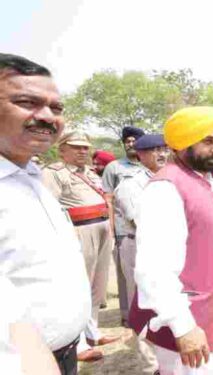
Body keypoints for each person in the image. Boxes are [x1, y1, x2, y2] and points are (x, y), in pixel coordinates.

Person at [129, 106, 213, 374]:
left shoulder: (206, 181)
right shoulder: (165, 189)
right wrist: (182, 326)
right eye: (208, 141)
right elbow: (154, 269)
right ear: (182, 142)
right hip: (193, 324)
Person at [0, 52, 90, 374]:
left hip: (60, 355)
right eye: (27, 102)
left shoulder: (30, 176)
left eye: (56, 107)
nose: (48, 117)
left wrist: (76, 337)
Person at [42, 131, 120, 362]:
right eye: (76, 147)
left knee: (98, 285)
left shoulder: (91, 174)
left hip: (102, 228)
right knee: (79, 287)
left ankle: (93, 332)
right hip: (79, 231)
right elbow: (49, 206)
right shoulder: (54, 173)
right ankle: (78, 344)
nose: (82, 152)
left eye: (85, 148)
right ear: (62, 149)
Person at [113, 134, 168, 373]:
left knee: (165, 300)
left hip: (165, 246)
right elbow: (139, 220)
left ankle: (168, 358)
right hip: (138, 246)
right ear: (141, 154)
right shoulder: (129, 184)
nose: (162, 154)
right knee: (143, 304)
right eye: (155, 150)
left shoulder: (169, 179)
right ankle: (151, 364)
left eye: (164, 149)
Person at [101, 126, 144, 324]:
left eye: (135, 140)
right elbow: (107, 200)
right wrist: (112, 229)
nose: (131, 144)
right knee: (125, 275)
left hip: (147, 229)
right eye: (127, 141)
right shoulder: (114, 167)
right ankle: (128, 316)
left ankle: (146, 312)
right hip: (124, 230)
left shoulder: (148, 165)